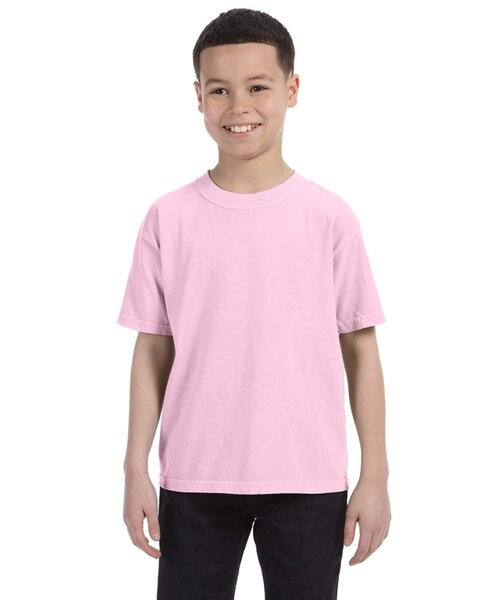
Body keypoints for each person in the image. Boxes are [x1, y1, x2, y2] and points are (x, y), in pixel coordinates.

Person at [117, 8, 391, 600]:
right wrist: (134, 467)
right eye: (220, 89)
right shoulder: (168, 217)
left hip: (308, 480)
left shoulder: (329, 217)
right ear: (198, 96)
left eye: (258, 87)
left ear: (291, 90)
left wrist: (376, 474)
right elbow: (152, 348)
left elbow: (361, 349)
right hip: (195, 478)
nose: (238, 105)